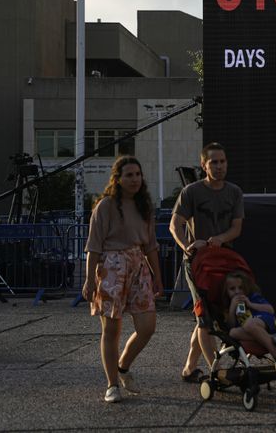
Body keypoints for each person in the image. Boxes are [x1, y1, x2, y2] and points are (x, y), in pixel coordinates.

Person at [82, 156, 164, 403]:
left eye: (137, 174)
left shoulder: (144, 206)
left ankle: (123, 366)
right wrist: (88, 280)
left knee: (147, 327)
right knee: (112, 329)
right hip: (111, 266)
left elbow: (151, 246)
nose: (134, 179)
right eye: (128, 175)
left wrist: (158, 277)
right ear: (117, 179)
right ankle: (112, 384)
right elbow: (93, 246)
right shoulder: (105, 206)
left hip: (138, 265)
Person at [169, 142, 244, 382]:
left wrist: (220, 239)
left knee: (215, 312)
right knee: (204, 317)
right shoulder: (191, 191)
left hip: (223, 260)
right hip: (198, 263)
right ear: (204, 165)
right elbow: (175, 224)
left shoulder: (234, 192)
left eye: (222, 161)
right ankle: (216, 370)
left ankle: (190, 368)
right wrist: (187, 246)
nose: (219, 166)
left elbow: (236, 228)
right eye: (214, 162)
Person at [224, 270, 276, 366]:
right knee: (232, 332)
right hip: (250, 331)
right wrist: (232, 308)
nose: (237, 292)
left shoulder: (253, 297)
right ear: (226, 291)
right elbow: (230, 325)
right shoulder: (228, 305)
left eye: (241, 288)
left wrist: (250, 304)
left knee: (249, 324)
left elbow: (270, 310)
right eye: (232, 289)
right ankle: (272, 339)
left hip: (263, 321)